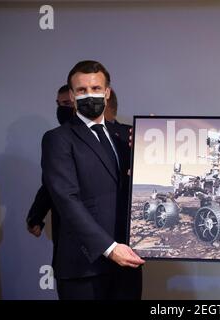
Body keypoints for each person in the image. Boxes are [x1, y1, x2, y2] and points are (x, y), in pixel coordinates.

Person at [41, 60, 144, 300]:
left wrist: (153, 140)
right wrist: (109, 248)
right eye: (82, 90)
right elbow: (66, 199)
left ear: (107, 92)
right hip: (84, 267)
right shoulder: (58, 139)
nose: (90, 95)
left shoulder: (127, 136)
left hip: (127, 262)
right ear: (72, 95)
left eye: (96, 89)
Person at [26, 85, 75, 237]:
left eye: (67, 104)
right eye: (59, 104)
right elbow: (51, 183)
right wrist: (36, 215)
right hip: (65, 229)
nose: (61, 109)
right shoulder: (55, 139)